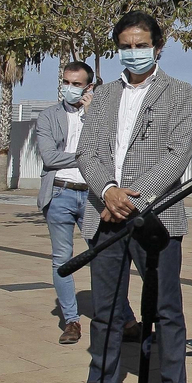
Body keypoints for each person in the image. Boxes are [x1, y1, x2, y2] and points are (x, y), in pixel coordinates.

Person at [53, 11, 192, 383]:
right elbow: (88, 153)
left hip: (156, 219)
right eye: (126, 46)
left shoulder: (179, 93)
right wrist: (110, 191)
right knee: (107, 311)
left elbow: (178, 154)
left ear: (158, 46)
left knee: (166, 310)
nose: (133, 53)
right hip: (107, 216)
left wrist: (131, 199)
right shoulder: (105, 95)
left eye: (141, 45)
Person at [36, 62, 136, 345]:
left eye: (76, 84)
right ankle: (71, 321)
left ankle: (124, 317)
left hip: (95, 193)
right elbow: (49, 158)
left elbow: (113, 153)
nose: (69, 88)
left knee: (106, 257)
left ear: (89, 87)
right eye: (66, 81)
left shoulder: (103, 114)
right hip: (60, 193)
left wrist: (92, 118)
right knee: (61, 259)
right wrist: (86, 155)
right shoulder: (48, 116)